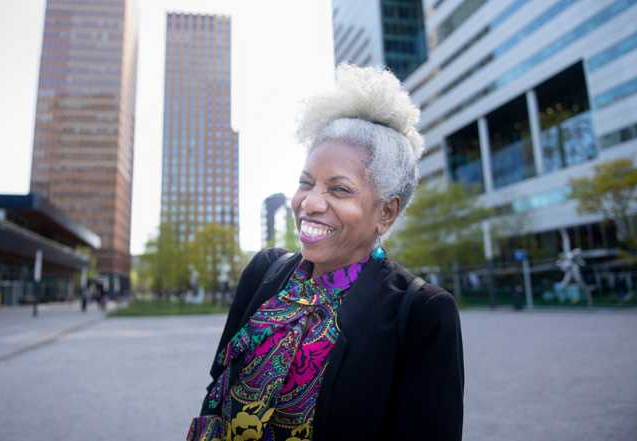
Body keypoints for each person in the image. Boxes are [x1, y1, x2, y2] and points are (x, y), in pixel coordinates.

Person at [187, 65, 464, 441]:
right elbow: (216, 388)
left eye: (340, 190)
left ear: (386, 212)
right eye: (306, 183)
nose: (310, 203)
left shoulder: (422, 312)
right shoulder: (264, 272)